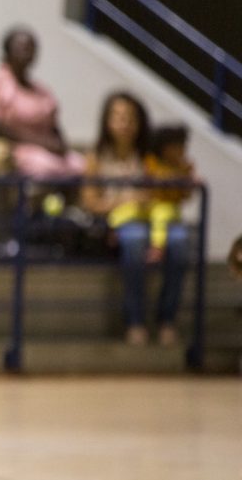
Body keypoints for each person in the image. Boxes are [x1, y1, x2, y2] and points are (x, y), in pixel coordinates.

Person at [80, 93, 187, 347]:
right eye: (117, 117)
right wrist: (128, 200)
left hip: (154, 218)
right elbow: (90, 202)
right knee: (135, 239)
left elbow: (170, 189)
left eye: (130, 118)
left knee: (181, 241)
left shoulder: (150, 156)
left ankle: (167, 320)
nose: (124, 123)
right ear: (106, 121)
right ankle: (135, 320)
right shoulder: (96, 156)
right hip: (119, 223)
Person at [0, 26, 85, 179]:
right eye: (22, 47)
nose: (28, 52)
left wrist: (60, 145)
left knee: (80, 165)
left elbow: (53, 125)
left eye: (32, 48)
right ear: (7, 50)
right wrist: (39, 142)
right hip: (7, 147)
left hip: (42, 148)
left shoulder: (41, 90)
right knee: (45, 167)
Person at [144, 125, 193, 262]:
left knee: (162, 216)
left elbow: (187, 195)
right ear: (164, 148)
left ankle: (158, 246)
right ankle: (113, 232)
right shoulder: (152, 162)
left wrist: (186, 181)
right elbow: (152, 179)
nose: (182, 150)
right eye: (177, 147)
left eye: (183, 146)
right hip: (148, 206)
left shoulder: (185, 167)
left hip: (170, 208)